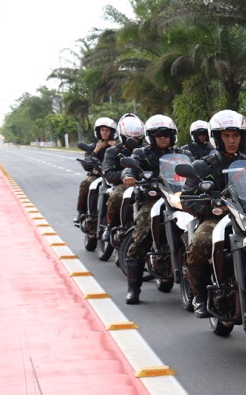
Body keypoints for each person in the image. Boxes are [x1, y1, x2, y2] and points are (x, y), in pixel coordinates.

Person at [182, 109, 246, 316]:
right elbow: (187, 198)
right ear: (217, 138)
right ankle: (200, 296)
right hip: (216, 219)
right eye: (227, 136)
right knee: (199, 244)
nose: (232, 140)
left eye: (236, 135)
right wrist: (211, 205)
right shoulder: (202, 166)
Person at [120, 115, 181, 304]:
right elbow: (128, 168)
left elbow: (195, 167)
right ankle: (133, 289)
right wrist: (129, 175)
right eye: (158, 134)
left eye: (166, 134)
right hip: (151, 200)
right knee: (141, 234)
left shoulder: (181, 153)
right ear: (150, 136)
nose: (162, 138)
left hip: (178, 199)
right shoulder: (141, 153)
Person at [101, 113, 146, 229]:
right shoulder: (112, 151)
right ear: (123, 136)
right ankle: (110, 226)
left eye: (137, 138)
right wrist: (124, 176)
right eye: (131, 138)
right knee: (116, 197)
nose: (134, 141)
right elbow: (109, 175)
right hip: (124, 184)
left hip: (147, 184)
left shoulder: (147, 150)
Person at [75, 117, 117, 225]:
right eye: (102, 130)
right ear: (98, 132)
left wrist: (116, 148)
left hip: (113, 177)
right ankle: (81, 212)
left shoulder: (118, 147)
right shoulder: (92, 147)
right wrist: (95, 151)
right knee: (86, 183)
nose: (104, 133)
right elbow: (86, 165)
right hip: (97, 176)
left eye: (107, 130)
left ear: (112, 132)